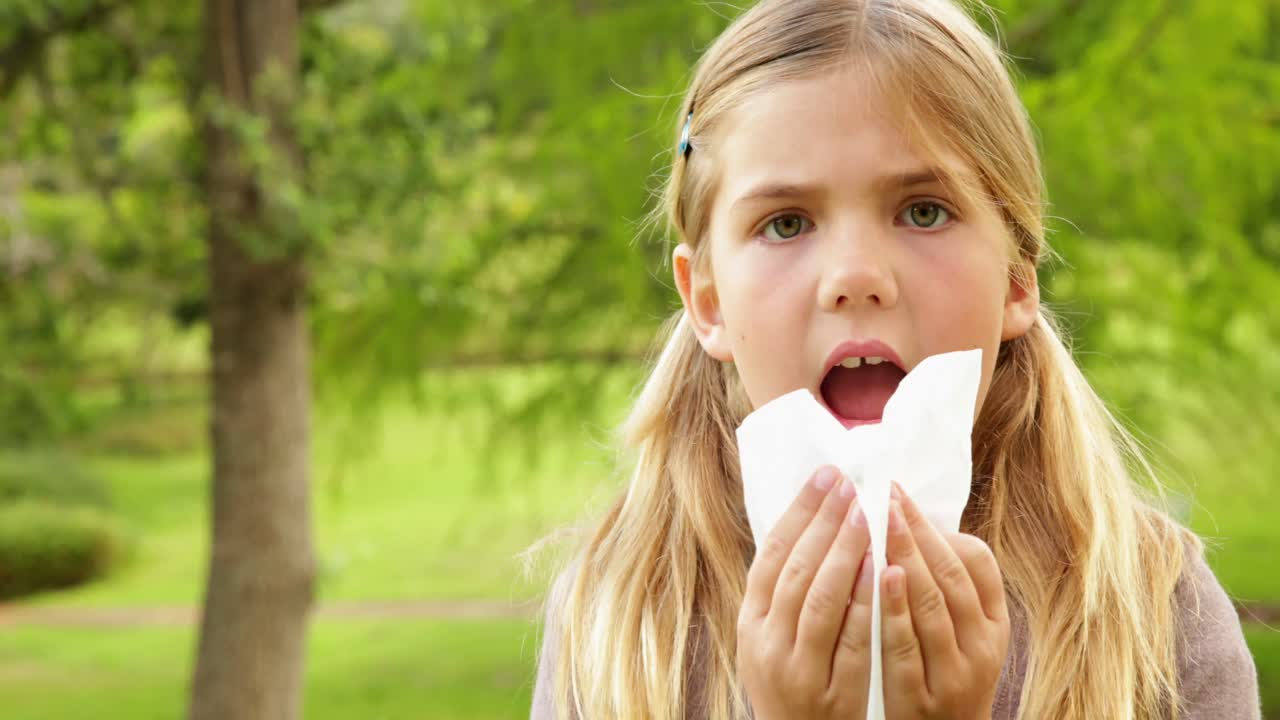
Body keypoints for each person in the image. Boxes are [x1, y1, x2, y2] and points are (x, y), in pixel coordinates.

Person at [528, 0, 1261, 717]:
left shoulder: (1155, 617)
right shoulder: (621, 621)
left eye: (922, 211)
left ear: (1015, 276)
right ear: (709, 302)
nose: (854, 278)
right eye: (786, 224)